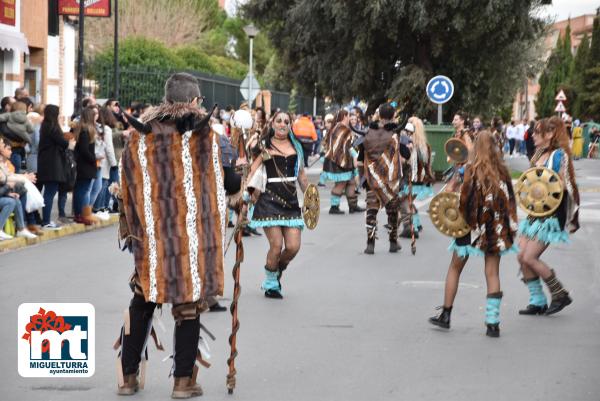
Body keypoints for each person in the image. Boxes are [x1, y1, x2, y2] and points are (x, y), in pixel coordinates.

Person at [115, 72, 241, 397]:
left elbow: (126, 185)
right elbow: (228, 183)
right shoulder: (206, 137)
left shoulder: (138, 137)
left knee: (143, 298)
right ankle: (183, 382)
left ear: (166, 100)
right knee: (187, 304)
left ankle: (127, 378)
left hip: (152, 237)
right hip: (190, 237)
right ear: (195, 100)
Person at [429, 130, 518, 337]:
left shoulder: (467, 171)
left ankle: (446, 315)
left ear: (475, 148)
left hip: (468, 228)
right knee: (492, 273)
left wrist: (455, 183)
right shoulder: (503, 172)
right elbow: (510, 202)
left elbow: (447, 196)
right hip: (493, 229)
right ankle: (493, 323)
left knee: (454, 268)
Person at [517, 117, 579, 316]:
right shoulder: (539, 154)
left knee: (530, 257)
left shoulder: (560, 155)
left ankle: (559, 293)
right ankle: (537, 300)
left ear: (550, 134)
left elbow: (564, 185)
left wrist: (547, 184)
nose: (533, 135)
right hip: (535, 213)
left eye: (538, 132)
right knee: (521, 256)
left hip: (552, 214)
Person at [246, 111, 309, 299]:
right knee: (276, 245)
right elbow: (253, 170)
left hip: (290, 202)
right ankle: (271, 284)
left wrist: (311, 199)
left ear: (290, 125)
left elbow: (302, 177)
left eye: (286, 121)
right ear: (273, 124)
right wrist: (245, 195)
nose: (283, 124)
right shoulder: (265, 146)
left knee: (292, 247)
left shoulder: (297, 147)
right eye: (279, 121)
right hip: (269, 201)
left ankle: (277, 269)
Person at [360, 103, 410, 254]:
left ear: (379, 115)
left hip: (372, 180)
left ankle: (370, 243)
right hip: (390, 181)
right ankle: (393, 242)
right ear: (394, 115)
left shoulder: (367, 133)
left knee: (371, 211)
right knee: (392, 211)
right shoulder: (396, 133)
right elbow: (406, 155)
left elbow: (361, 157)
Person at [37, 105, 75, 228]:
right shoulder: (52, 127)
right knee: (49, 192)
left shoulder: (45, 126)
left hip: (46, 163)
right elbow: (62, 142)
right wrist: (69, 143)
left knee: (49, 192)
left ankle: (45, 220)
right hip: (52, 164)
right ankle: (46, 221)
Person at [321, 110, 364, 214]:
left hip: (339, 160)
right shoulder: (344, 129)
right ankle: (334, 207)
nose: (349, 117)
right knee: (340, 184)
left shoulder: (335, 128)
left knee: (351, 182)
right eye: (348, 115)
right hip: (340, 162)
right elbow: (348, 146)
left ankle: (353, 206)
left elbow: (328, 143)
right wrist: (355, 156)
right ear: (345, 116)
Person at [399, 116, 434, 239]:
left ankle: (411, 226)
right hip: (416, 179)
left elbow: (408, 162)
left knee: (406, 203)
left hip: (412, 179)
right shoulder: (420, 144)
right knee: (408, 202)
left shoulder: (414, 144)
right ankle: (416, 225)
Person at [0, 137, 37, 239]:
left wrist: (8, 192)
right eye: (2, 144)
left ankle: (21, 229)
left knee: (16, 199)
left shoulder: (3, 162)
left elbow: (8, 176)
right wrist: (24, 178)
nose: (2, 145)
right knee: (10, 201)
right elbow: (4, 178)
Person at [73, 106, 100, 226]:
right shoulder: (85, 131)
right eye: (94, 115)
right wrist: (94, 159)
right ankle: (80, 214)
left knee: (82, 189)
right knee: (83, 190)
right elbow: (84, 150)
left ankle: (81, 213)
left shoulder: (83, 129)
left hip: (85, 165)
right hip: (86, 165)